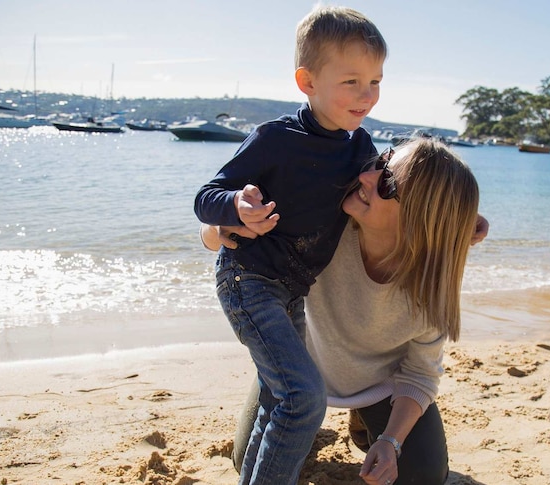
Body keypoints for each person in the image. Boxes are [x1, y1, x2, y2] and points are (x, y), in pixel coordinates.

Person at [204, 138, 483, 485]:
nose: (367, 176)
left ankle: (365, 422)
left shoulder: (430, 283)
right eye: (380, 160)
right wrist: (219, 230)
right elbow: (221, 234)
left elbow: (420, 373)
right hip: (297, 373)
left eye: (387, 183)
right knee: (245, 458)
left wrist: (390, 441)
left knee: (423, 477)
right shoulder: (319, 223)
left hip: (381, 384)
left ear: (419, 220)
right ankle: (310, 416)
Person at [193, 6, 388, 484]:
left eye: (376, 82)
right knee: (303, 398)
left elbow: (403, 182)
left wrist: (465, 218)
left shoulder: (358, 146)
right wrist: (237, 205)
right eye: (352, 82)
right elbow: (205, 199)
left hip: (292, 290)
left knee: (281, 398)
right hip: (248, 280)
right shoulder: (274, 139)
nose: (367, 95)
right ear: (307, 81)